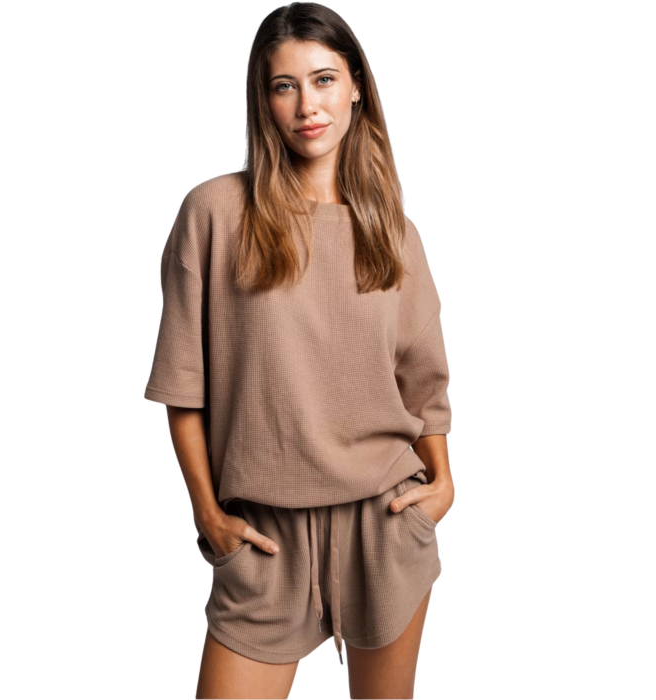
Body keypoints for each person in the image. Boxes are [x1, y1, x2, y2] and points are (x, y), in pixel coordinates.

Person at [144, 3, 455, 698]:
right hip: (263, 534)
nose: (307, 105)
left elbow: (423, 383)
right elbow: (182, 384)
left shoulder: (393, 233)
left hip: (383, 522)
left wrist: (442, 485)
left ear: (356, 87)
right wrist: (208, 515)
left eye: (323, 79)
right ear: (263, 100)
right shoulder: (215, 214)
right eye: (284, 86)